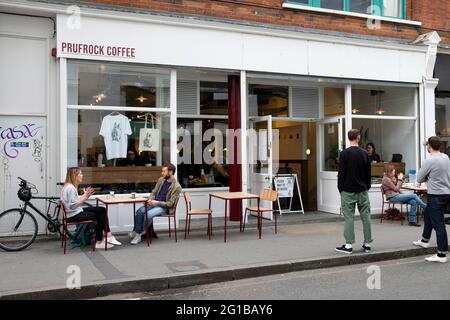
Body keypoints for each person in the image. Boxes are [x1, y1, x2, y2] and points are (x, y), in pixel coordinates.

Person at [61, 167, 121, 249]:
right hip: (73, 215)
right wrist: (85, 197)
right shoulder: (71, 188)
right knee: (100, 216)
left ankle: (108, 235)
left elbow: (73, 202)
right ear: (75, 176)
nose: (82, 175)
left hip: (74, 213)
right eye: (80, 174)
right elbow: (73, 206)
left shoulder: (68, 186)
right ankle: (100, 241)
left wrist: (85, 195)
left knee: (102, 209)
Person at [413, 136, 450, 263]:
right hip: (446, 193)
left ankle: (441, 254)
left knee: (439, 224)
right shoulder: (445, 157)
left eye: (427, 145)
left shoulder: (429, 161)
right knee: (428, 214)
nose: (427, 147)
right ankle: (424, 240)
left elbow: (419, 178)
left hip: (436, 195)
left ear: (429, 146)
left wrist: (427, 175)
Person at [335, 129, 372, 254]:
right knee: (366, 216)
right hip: (362, 190)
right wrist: (367, 186)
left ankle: (348, 245)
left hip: (348, 190)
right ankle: (367, 244)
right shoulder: (365, 153)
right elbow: (368, 173)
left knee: (349, 217)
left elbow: (341, 173)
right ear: (358, 137)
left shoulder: (344, 154)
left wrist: (340, 188)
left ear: (348, 138)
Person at [129, 163, 182, 244]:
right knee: (139, 211)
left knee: (148, 214)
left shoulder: (177, 186)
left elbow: (170, 204)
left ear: (170, 172)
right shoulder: (161, 180)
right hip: (153, 203)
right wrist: (150, 200)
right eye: (162, 171)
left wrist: (157, 202)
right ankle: (137, 231)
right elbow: (154, 192)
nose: (162, 173)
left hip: (164, 207)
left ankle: (138, 234)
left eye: (164, 171)